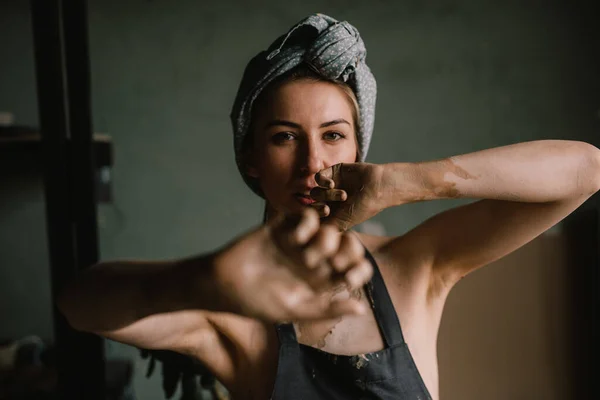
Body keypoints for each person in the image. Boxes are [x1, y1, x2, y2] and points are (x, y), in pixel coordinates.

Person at [59, 13, 600, 400]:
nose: (313, 163)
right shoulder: (229, 304)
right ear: (250, 158)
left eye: (335, 136)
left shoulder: (415, 268)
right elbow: (80, 303)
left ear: (359, 149)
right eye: (284, 137)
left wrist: (405, 181)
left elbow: (585, 171)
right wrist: (202, 281)